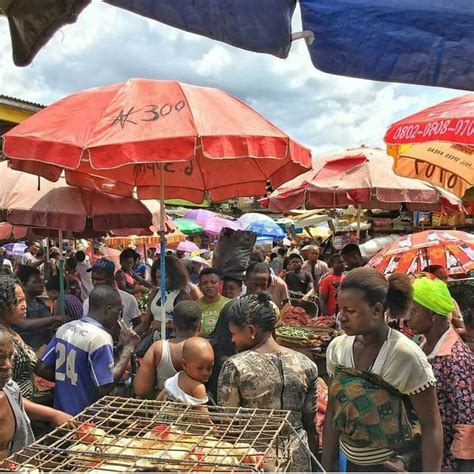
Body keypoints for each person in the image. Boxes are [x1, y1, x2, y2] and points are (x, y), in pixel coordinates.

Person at [322, 268, 443, 472]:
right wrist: (325, 467)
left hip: (394, 465)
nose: (341, 317)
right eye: (340, 309)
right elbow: (334, 412)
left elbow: (431, 426)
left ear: (377, 310)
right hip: (350, 464)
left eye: (350, 311)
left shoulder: (405, 355)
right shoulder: (338, 349)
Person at [218, 294, 318, 471]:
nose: (232, 340)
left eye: (234, 333)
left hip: (255, 459)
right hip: (298, 459)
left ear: (251, 330)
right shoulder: (306, 364)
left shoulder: (235, 366)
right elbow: (310, 423)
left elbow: (229, 428)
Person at [36, 285, 140, 416]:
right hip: (86, 418)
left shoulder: (66, 328)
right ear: (108, 309)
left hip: (61, 414)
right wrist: (128, 348)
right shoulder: (100, 338)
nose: (119, 318)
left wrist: (71, 381)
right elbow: (105, 387)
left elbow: (41, 368)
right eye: (118, 312)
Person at [406, 277, 473, 471]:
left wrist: (465, 467)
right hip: (430, 450)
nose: (407, 317)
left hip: (448, 460)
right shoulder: (425, 344)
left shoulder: (455, 358)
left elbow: (466, 420)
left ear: (432, 314)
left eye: (414, 311)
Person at [0, 327, 72, 461]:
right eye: (0, 358)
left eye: (10, 356)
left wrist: (53, 415)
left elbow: (17, 405)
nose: (8, 365)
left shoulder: (10, 388)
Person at [134, 301, 202, 398]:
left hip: (163, 408)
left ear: (173, 325)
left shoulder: (158, 348)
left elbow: (140, 390)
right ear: (199, 326)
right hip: (195, 409)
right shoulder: (205, 348)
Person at [141, 256, 200, 341]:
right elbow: (145, 323)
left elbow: (189, 326)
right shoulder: (155, 292)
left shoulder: (183, 296)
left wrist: (163, 325)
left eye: (165, 277)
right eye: (158, 277)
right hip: (156, 340)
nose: (161, 281)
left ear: (175, 276)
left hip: (175, 344)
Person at [83, 259, 143, 341]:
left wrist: (128, 336)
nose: (95, 283)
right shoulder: (88, 302)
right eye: (93, 279)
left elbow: (138, 323)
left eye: (99, 279)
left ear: (111, 278)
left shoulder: (129, 299)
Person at [15, 266, 67, 352]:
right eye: (36, 282)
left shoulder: (40, 303)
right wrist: (55, 318)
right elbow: (25, 324)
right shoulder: (18, 306)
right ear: (23, 284)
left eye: (42, 281)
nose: (41, 284)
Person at [157, 337, 213, 409]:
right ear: (184, 365)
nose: (205, 373)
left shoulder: (174, 378)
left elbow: (158, 402)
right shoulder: (198, 387)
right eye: (200, 368)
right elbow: (203, 417)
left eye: (209, 368)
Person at [197, 268, 229, 337]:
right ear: (199, 286)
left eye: (213, 282)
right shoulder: (194, 308)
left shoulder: (230, 305)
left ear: (221, 284)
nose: (209, 286)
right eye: (204, 283)